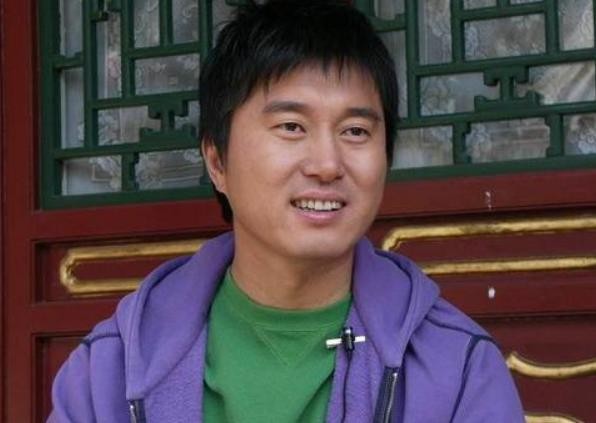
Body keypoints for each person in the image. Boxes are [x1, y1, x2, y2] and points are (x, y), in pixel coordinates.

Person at [48, 0, 525, 421]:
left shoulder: (455, 367)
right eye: (292, 127)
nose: (327, 165)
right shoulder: (111, 371)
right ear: (217, 161)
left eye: (356, 131)